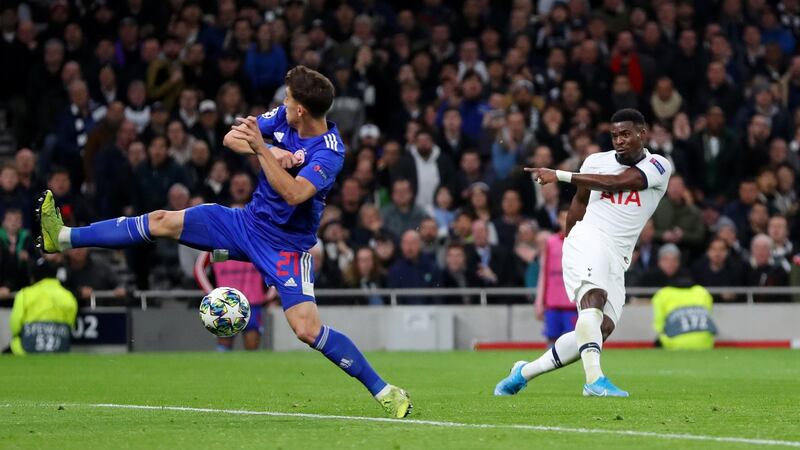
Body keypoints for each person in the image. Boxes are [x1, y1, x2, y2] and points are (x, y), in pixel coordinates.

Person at [34, 66, 411, 417]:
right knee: (162, 220)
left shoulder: (329, 151)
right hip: (244, 223)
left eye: (287, 101)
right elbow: (233, 137)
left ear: (301, 111)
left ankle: (384, 391)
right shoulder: (282, 119)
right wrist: (268, 149)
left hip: (287, 247)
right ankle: (63, 237)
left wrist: (263, 150)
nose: (282, 105)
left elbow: (296, 193)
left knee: (306, 329)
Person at [495, 108, 672, 398]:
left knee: (598, 330)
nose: (619, 140)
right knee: (594, 300)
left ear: (643, 133)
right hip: (589, 237)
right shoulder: (595, 161)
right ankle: (594, 380)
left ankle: (523, 373)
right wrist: (569, 238)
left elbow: (619, 183)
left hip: (618, 254)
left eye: (626, 134)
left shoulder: (659, 165)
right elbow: (580, 202)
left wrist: (560, 175)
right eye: (614, 135)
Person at [5, 255, 78, 355]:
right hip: (60, 349)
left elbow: (15, 325)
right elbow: (70, 323)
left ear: (34, 275)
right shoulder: (68, 295)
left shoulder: (24, 294)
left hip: (26, 350)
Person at [534, 208, 576, 345]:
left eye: (568, 217)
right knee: (551, 340)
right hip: (552, 303)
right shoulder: (550, 242)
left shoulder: (579, 241)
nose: (565, 222)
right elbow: (544, 273)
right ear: (558, 220)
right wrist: (539, 302)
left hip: (572, 303)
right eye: (562, 218)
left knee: (574, 341)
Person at [651, 280, 716, 350]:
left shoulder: (663, 294)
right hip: (705, 345)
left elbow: (659, 326)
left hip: (674, 344)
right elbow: (708, 314)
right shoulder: (702, 292)